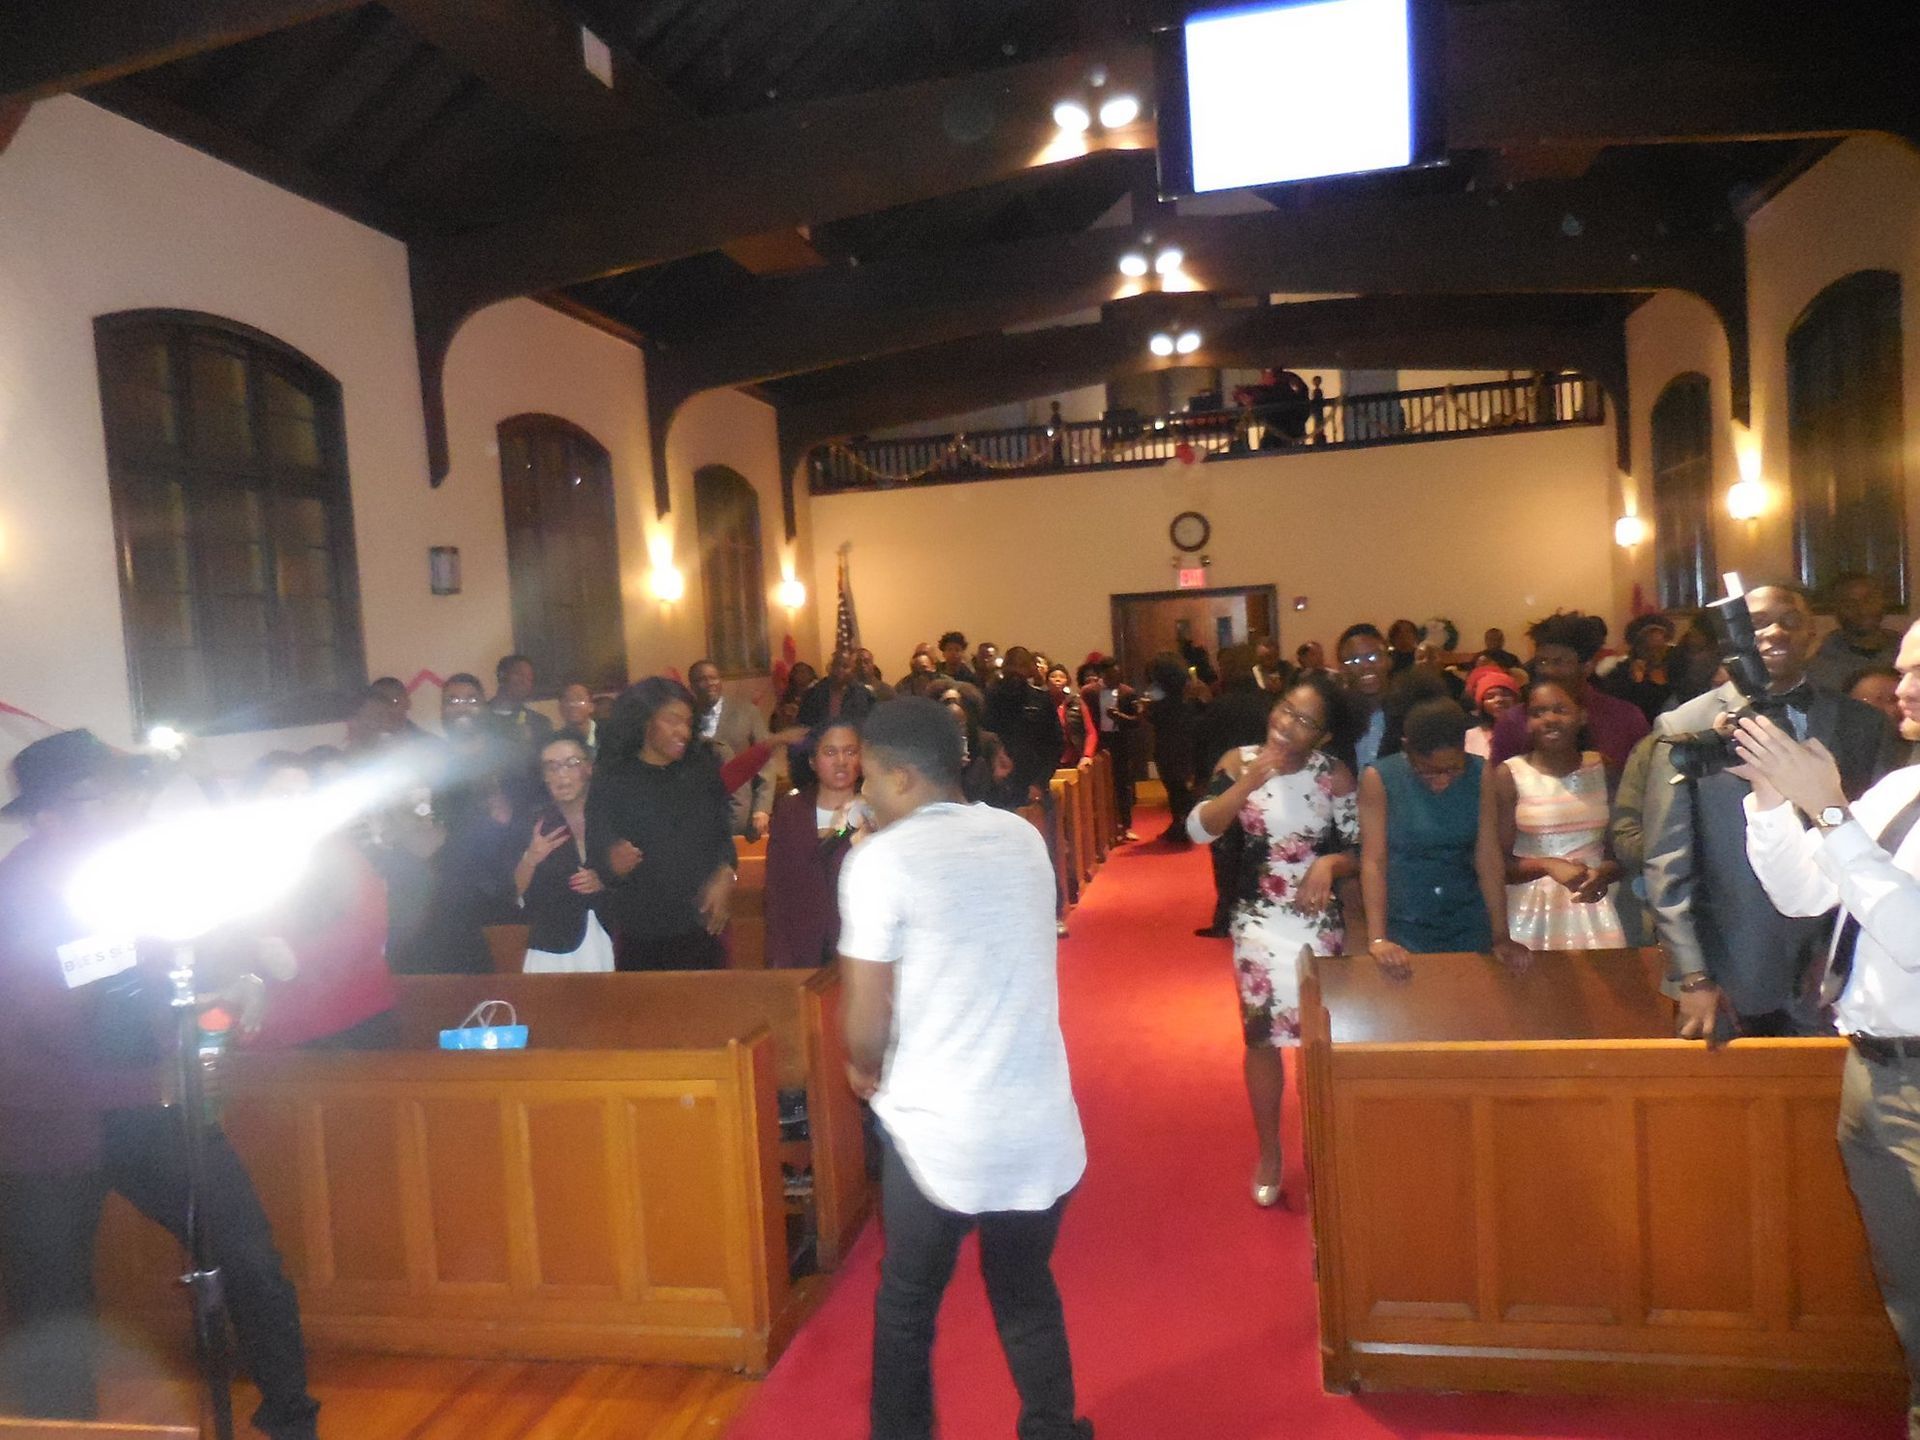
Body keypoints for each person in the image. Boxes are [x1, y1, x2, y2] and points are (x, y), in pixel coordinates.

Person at [0, 731, 321, 1438]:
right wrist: (149, 1035)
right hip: (48, 1124)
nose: (122, 809)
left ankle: (291, 1419)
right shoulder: (18, 892)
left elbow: (166, 978)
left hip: (149, 1107)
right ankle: (63, 1432)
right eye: (101, 798)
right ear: (50, 815)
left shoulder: (135, 880)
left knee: (248, 1256)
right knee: (54, 1304)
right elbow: (49, 1018)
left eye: (123, 794)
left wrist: (218, 996)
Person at [838, 699, 1091, 1440]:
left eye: (870, 778)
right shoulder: (1020, 835)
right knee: (1025, 1293)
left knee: (908, 1305)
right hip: (1036, 1114)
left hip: (938, 1125)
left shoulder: (879, 861)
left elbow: (865, 1011)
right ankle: (1053, 1428)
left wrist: (861, 1067)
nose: (863, 794)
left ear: (905, 778)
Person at [1733, 619, 1920, 1439]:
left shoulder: (1867, 799)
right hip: (1870, 1069)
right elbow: (1802, 894)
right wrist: (1775, 796)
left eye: (1919, 671)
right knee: (1907, 1278)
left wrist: (1832, 811)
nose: (1901, 686)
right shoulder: (1900, 788)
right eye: (1902, 668)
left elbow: (1915, 940)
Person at [1640, 583, 1899, 1041]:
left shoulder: (1863, 725)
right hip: (1731, 965)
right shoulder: (1686, 726)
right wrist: (1693, 975)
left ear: (1813, 636)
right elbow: (1668, 864)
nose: (1775, 632)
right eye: (1758, 623)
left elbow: (1882, 850)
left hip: (1837, 964)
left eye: (1790, 621)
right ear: (1734, 636)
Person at [1187, 675, 1359, 1207]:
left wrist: (1330, 862)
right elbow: (1200, 829)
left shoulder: (1333, 775)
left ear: (1323, 736)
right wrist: (1247, 782)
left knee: (1317, 1040)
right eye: (1285, 710)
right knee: (1261, 1038)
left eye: (1304, 721)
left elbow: (1361, 848)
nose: (1287, 724)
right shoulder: (1237, 760)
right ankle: (1269, 1151)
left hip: (1317, 920)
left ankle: (1324, 1147)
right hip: (1258, 918)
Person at [237, 753, 399, 1049]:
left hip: (347, 1020)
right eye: (283, 794)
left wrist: (300, 957)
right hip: (276, 1026)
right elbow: (227, 934)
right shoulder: (238, 856)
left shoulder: (338, 853)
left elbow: (369, 927)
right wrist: (247, 974)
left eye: (305, 796)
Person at [1358, 699, 1530, 972]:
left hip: (1467, 918)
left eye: (1452, 769)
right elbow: (1373, 862)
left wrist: (1500, 935)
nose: (1442, 780)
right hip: (1404, 922)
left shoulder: (1480, 772)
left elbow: (1487, 856)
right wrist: (1378, 938)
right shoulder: (1379, 778)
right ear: (1406, 748)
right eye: (1427, 771)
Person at [587, 677, 737, 971]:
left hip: (705, 930)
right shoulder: (613, 780)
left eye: (688, 722)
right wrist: (612, 865)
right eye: (672, 720)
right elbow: (599, 855)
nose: (682, 731)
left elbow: (723, 836)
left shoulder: (701, 770)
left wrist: (726, 872)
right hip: (641, 936)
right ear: (645, 721)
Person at [1493, 680, 1625, 950]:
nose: (1549, 719)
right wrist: (1547, 865)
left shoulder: (1602, 768)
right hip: (1528, 913)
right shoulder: (1510, 775)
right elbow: (1496, 864)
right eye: (1538, 713)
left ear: (1582, 716)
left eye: (1560, 710)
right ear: (1527, 722)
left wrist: (1602, 873)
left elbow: (1621, 852)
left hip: (1598, 907)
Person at [1489, 611, 1650, 784]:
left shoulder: (1625, 719)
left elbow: (1644, 786)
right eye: (1542, 662)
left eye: (1559, 662)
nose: (1548, 670)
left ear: (1587, 667)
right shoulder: (1514, 721)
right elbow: (1498, 790)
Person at [764, 720, 871, 969]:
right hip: (801, 946)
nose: (841, 761)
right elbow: (776, 889)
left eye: (850, 751)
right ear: (812, 761)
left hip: (860, 946)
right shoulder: (790, 811)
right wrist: (777, 953)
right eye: (830, 752)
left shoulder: (875, 811)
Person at [1191, 647, 1279, 938]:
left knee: (1226, 855)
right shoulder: (1270, 702)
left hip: (1228, 783)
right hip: (1269, 781)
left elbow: (1203, 744)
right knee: (1262, 849)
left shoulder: (1218, 706)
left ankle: (1226, 916)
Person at [514, 734, 613, 973]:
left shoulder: (612, 816)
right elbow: (510, 892)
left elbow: (638, 875)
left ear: (589, 768)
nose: (562, 774)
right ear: (543, 776)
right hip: (551, 949)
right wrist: (530, 859)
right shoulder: (530, 822)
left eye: (572, 763)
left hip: (609, 937)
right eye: (552, 767)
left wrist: (605, 880)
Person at [689, 658, 778, 839]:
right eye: (702, 679)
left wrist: (762, 809)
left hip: (741, 812)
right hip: (701, 813)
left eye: (714, 678)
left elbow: (765, 760)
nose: (709, 684)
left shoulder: (747, 712)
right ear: (692, 685)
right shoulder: (688, 718)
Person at [984, 647, 1065, 806]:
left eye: (1021, 667)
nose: (1016, 672)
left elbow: (1055, 744)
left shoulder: (1041, 700)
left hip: (1032, 784)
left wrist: (1039, 783)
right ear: (1004, 668)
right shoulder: (991, 698)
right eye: (1012, 666)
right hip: (998, 785)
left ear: (1029, 670)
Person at [1807, 572, 1906, 694]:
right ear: (1835, 609)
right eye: (1849, 603)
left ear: (1883, 602)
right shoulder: (1818, 667)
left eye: (1869, 599)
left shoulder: (1908, 654)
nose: (1862, 609)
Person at [1146, 651, 1201, 844]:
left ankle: (1182, 824)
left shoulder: (1164, 698)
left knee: (1175, 787)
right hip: (1184, 742)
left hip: (1168, 745)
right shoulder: (1186, 695)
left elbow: (1157, 717)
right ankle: (1182, 823)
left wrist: (1147, 710)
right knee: (1180, 786)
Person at [1084, 658, 1141, 843]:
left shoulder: (1127, 692)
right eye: (1110, 676)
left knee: (1122, 784)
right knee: (1099, 786)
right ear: (1102, 676)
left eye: (1117, 675)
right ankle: (1102, 828)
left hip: (1120, 741)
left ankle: (1125, 826)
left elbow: (1136, 721)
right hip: (1100, 742)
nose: (1115, 679)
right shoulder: (1090, 692)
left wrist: (1119, 716)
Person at [1597, 613, 1678, 723]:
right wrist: (1637, 683)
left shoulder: (1676, 666)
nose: (1656, 655)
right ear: (1638, 648)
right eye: (1650, 649)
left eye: (1661, 649)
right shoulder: (1621, 675)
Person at [489, 653, 554, 748]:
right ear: (502, 675)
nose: (524, 682)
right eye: (519, 674)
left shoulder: (539, 723)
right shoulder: (480, 716)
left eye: (529, 678)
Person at [1463, 663, 1521, 759]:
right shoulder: (1470, 736)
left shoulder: (1528, 732)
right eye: (1490, 696)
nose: (1499, 700)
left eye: (1506, 694)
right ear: (1481, 703)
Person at [1046, 663, 1097, 770]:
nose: (1057, 680)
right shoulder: (1042, 703)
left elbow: (1091, 731)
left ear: (1067, 681)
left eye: (1062, 677)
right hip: (1048, 760)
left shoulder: (1076, 702)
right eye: (1053, 676)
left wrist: (1087, 755)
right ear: (1047, 681)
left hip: (1073, 758)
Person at [556, 681, 598, 755]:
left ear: (591, 707)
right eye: (568, 701)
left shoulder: (611, 734)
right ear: (560, 708)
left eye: (580, 700)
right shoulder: (555, 741)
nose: (573, 705)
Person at [773, 661, 817, 731]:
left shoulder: (818, 691)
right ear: (792, 675)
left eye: (803, 671)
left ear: (811, 674)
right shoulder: (788, 693)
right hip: (790, 730)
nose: (801, 675)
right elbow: (779, 711)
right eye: (797, 672)